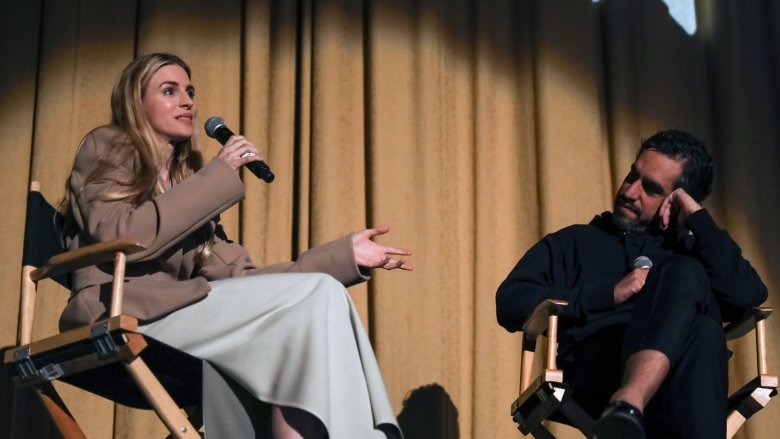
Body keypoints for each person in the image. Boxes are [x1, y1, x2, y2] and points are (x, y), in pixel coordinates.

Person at [59, 53, 412, 439]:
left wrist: (345, 256)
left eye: (190, 91)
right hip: (121, 309)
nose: (188, 101)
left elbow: (243, 278)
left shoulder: (186, 181)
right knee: (308, 314)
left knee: (322, 297)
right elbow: (121, 234)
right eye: (169, 91)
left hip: (182, 313)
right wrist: (218, 175)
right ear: (135, 103)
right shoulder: (107, 144)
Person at [496, 130, 767, 439]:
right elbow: (510, 301)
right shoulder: (575, 242)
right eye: (632, 176)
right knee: (701, 324)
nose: (630, 191)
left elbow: (748, 296)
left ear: (675, 200)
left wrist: (697, 218)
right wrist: (606, 296)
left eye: (650, 188)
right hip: (599, 372)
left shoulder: (695, 251)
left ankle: (628, 404)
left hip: (683, 381)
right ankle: (627, 401)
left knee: (695, 303)